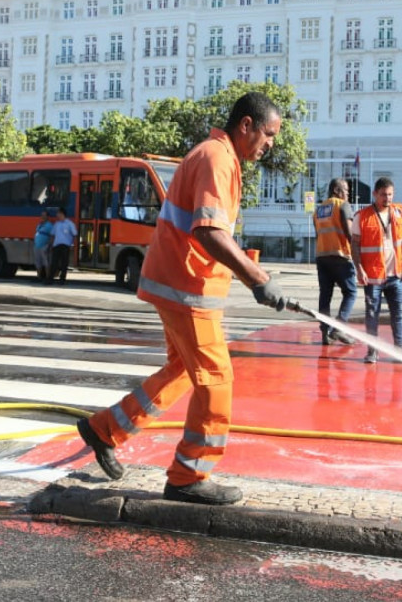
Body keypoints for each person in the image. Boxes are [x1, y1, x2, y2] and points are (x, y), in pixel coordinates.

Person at [75, 91, 290, 506]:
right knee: (217, 379)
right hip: (188, 287)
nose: (270, 144)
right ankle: (189, 475)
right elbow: (209, 232)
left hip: (178, 283)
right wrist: (258, 278)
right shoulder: (217, 159)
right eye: (268, 134)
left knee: (182, 370)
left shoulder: (214, 155)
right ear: (245, 124)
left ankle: (104, 430)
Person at [352, 176, 402, 364]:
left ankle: (399, 350)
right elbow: (354, 245)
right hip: (373, 276)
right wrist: (359, 268)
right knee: (372, 314)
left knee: (398, 313)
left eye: (390, 195)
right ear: (375, 194)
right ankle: (372, 351)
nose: (387, 199)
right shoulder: (362, 216)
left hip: (395, 274)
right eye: (383, 195)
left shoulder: (399, 213)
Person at [313, 178, 356, 346]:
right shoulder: (342, 205)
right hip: (340, 256)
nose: (348, 194)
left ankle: (325, 333)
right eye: (346, 190)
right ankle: (338, 327)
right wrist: (358, 255)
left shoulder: (318, 210)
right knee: (351, 292)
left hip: (322, 256)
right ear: (337, 191)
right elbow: (349, 233)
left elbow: (318, 234)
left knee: (325, 296)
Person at [48, 207, 77, 284]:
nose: (57, 215)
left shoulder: (70, 224)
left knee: (64, 264)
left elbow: (75, 235)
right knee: (54, 263)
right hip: (56, 245)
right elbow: (52, 235)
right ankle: (50, 279)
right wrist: (51, 245)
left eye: (58, 213)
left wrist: (73, 245)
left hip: (65, 246)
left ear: (62, 214)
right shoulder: (57, 224)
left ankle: (62, 279)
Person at [33, 209, 53, 282]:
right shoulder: (39, 225)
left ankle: (48, 278)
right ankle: (39, 277)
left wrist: (49, 246)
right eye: (42, 215)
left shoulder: (49, 225)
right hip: (37, 246)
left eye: (44, 215)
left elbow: (52, 236)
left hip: (44, 246)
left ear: (47, 217)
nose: (43, 217)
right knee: (38, 262)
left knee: (46, 262)